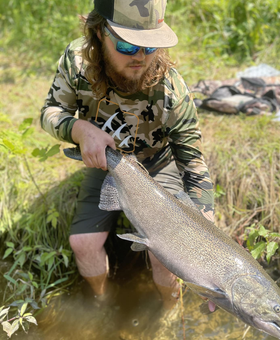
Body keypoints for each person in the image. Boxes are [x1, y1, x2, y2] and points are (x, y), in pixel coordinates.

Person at [41, 0, 215, 313]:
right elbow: (51, 112)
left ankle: (169, 313)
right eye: (127, 45)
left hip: (158, 167)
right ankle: (102, 304)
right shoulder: (76, 62)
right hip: (105, 162)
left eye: (150, 48)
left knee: (165, 256)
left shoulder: (171, 89)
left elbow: (192, 159)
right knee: (83, 243)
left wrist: (206, 225)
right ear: (99, 32)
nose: (139, 57)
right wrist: (80, 130)